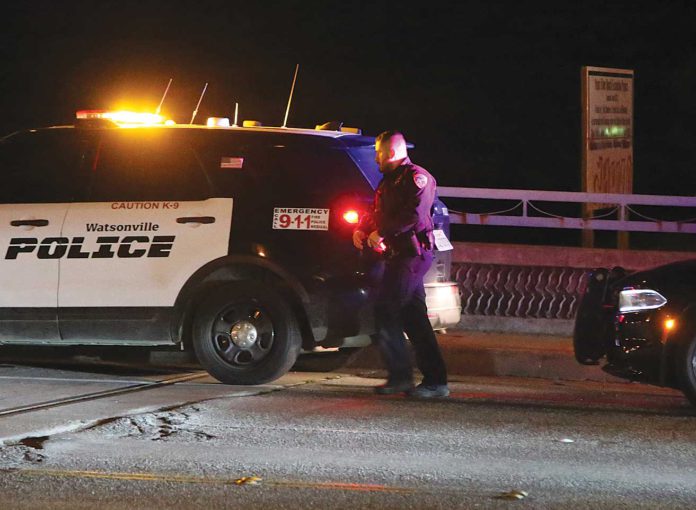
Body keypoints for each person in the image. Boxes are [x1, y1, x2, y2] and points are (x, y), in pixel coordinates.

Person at [353, 130, 449, 398]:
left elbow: (413, 216)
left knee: (385, 310)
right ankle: (435, 381)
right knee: (414, 317)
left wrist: (381, 232)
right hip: (398, 255)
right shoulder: (389, 182)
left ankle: (401, 377)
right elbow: (378, 213)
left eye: (379, 153)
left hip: (412, 255)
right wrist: (362, 229)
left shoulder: (417, 178)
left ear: (392, 153)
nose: (376, 158)